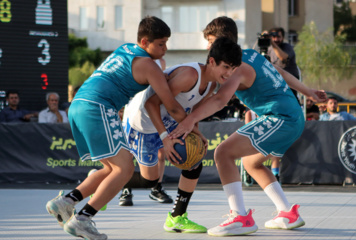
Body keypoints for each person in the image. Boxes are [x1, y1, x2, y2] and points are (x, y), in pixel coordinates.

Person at [169, 16, 327, 236]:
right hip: (288, 117)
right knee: (251, 163)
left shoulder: (238, 67)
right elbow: (281, 73)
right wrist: (307, 91)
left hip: (280, 118)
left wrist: (189, 120)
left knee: (223, 153)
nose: (208, 47)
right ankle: (287, 213)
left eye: (211, 41)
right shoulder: (252, 55)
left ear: (222, 41)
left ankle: (240, 217)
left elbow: (219, 99)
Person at [45, 16, 187, 240]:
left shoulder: (125, 48)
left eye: (166, 43)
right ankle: (82, 219)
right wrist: (192, 125)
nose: (165, 49)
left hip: (78, 105)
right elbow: (171, 105)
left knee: (111, 169)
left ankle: (66, 201)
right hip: (98, 108)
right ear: (144, 41)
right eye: (161, 44)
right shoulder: (149, 66)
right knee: (125, 169)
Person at [118, 37, 242, 233]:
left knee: (195, 160)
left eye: (232, 69)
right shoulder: (190, 75)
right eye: (225, 67)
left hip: (169, 120)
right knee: (149, 180)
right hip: (143, 122)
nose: (228, 74)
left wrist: (196, 133)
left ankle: (176, 217)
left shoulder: (211, 85)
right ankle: (105, 178)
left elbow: (191, 114)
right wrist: (164, 138)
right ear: (211, 61)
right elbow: (151, 104)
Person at [119, 57, 174, 206]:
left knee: (161, 152)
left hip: (155, 112)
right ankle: (126, 189)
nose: (162, 48)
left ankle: (156, 188)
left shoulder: (161, 61)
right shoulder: (137, 60)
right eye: (160, 43)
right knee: (128, 152)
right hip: (136, 110)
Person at [266, 27, 300, 100]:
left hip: (290, 84)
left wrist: (272, 43)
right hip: (275, 84)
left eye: (278, 37)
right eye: (273, 37)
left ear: (283, 37)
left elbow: (283, 58)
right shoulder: (268, 49)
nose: (276, 39)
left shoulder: (287, 47)